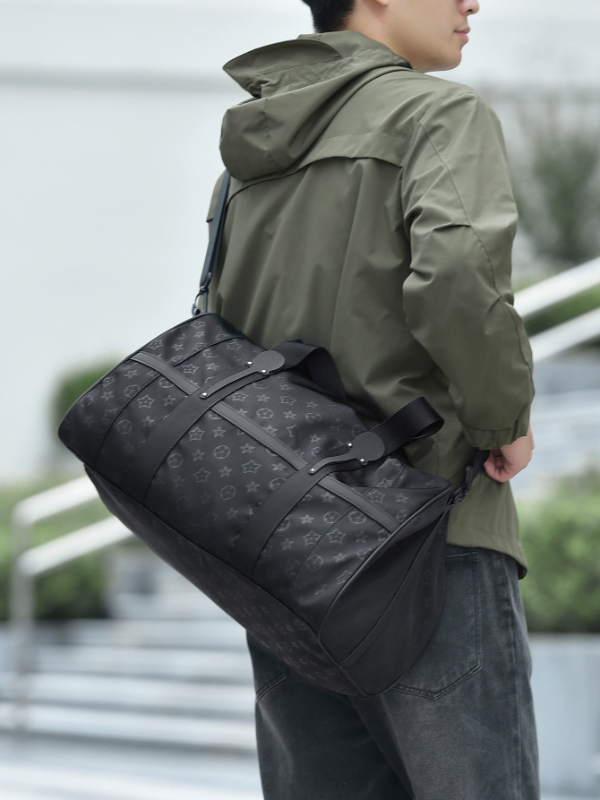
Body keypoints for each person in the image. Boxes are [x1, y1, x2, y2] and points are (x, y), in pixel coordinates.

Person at [204, 0, 539, 797]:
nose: (472, 3)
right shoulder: (436, 115)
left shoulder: (249, 159)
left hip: (289, 557)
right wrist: (504, 419)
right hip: (429, 530)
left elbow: (224, 332)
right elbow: (456, 276)